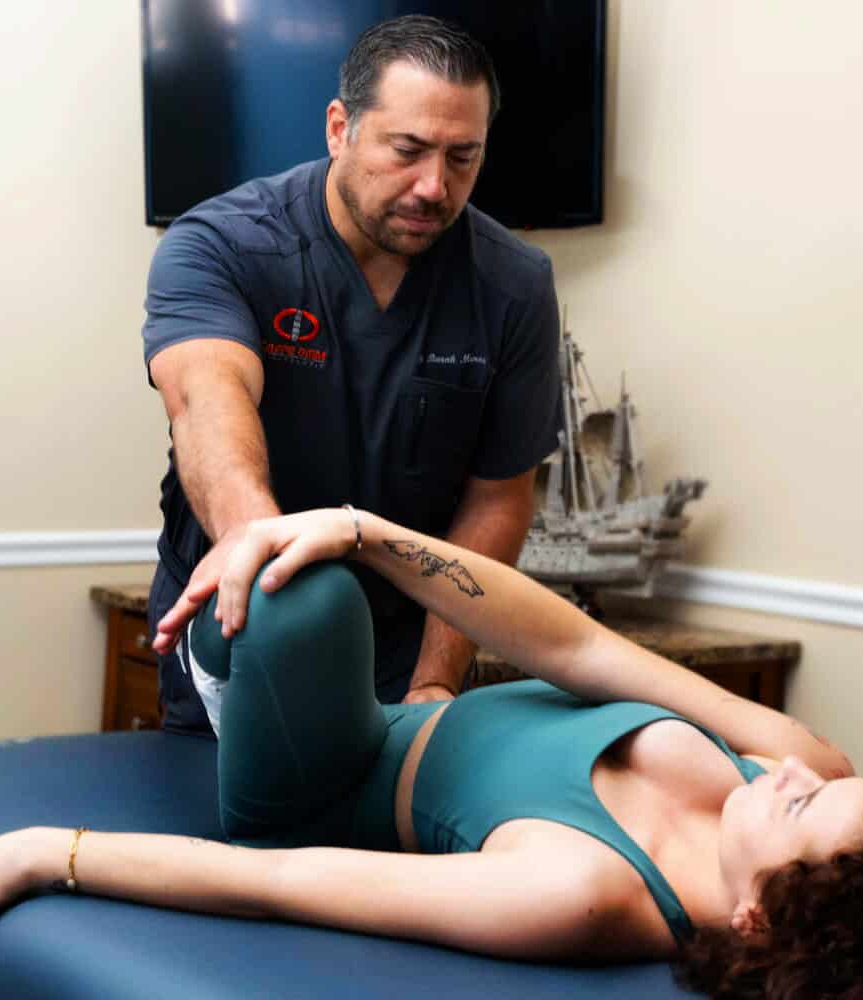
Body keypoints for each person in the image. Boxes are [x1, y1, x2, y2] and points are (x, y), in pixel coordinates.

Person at [0, 508, 863, 999]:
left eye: (804, 810)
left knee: (289, 604)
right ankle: (270, 629)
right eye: (835, 787)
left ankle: (233, 676)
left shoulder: (583, 893)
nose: (802, 775)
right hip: (420, 698)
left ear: (759, 917)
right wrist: (360, 525)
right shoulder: (795, 758)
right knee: (315, 557)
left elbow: (285, 880)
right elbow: (578, 646)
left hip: (327, 779)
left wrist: (42, 850)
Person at [142, 15, 562, 733]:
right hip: (245, 622)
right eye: (408, 150)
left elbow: (497, 498)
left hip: (404, 652)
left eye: (463, 157)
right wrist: (259, 551)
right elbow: (206, 400)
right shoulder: (221, 245)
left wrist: (435, 681)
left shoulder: (514, 284)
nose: (434, 186)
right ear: (340, 129)